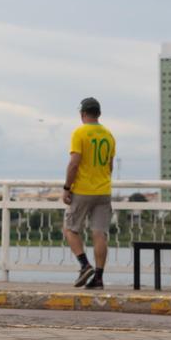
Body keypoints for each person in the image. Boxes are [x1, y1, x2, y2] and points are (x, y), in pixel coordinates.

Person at [62, 97, 116, 290]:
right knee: (99, 233)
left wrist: (67, 187)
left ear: (82, 113)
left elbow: (74, 162)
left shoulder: (80, 132)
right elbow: (109, 165)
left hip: (83, 190)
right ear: (99, 113)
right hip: (103, 190)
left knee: (70, 228)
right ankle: (99, 278)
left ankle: (84, 265)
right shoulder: (108, 135)